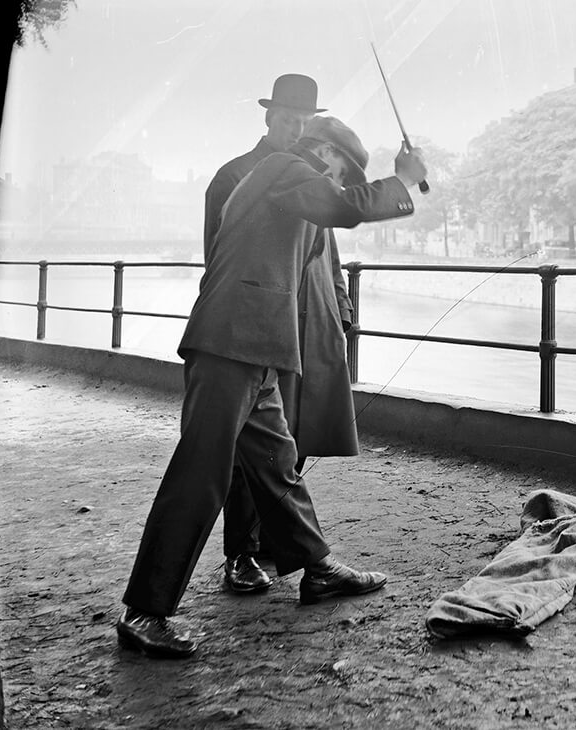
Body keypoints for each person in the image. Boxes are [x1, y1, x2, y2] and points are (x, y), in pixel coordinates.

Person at [116, 115, 429, 658]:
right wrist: (402, 180)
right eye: (341, 168)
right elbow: (342, 205)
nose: (339, 179)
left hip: (254, 347)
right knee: (201, 473)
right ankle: (145, 611)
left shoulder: (283, 182)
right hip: (231, 343)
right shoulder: (283, 168)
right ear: (325, 153)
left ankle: (318, 568)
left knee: (276, 465)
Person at [203, 74, 360, 596]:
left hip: (308, 316)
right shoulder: (236, 175)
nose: (293, 127)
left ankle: (284, 543)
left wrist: (338, 304)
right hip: (263, 320)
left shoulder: (311, 175)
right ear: (268, 116)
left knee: (286, 437)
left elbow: (327, 250)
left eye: (302, 119)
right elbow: (220, 257)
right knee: (249, 445)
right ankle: (242, 551)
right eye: (286, 117)